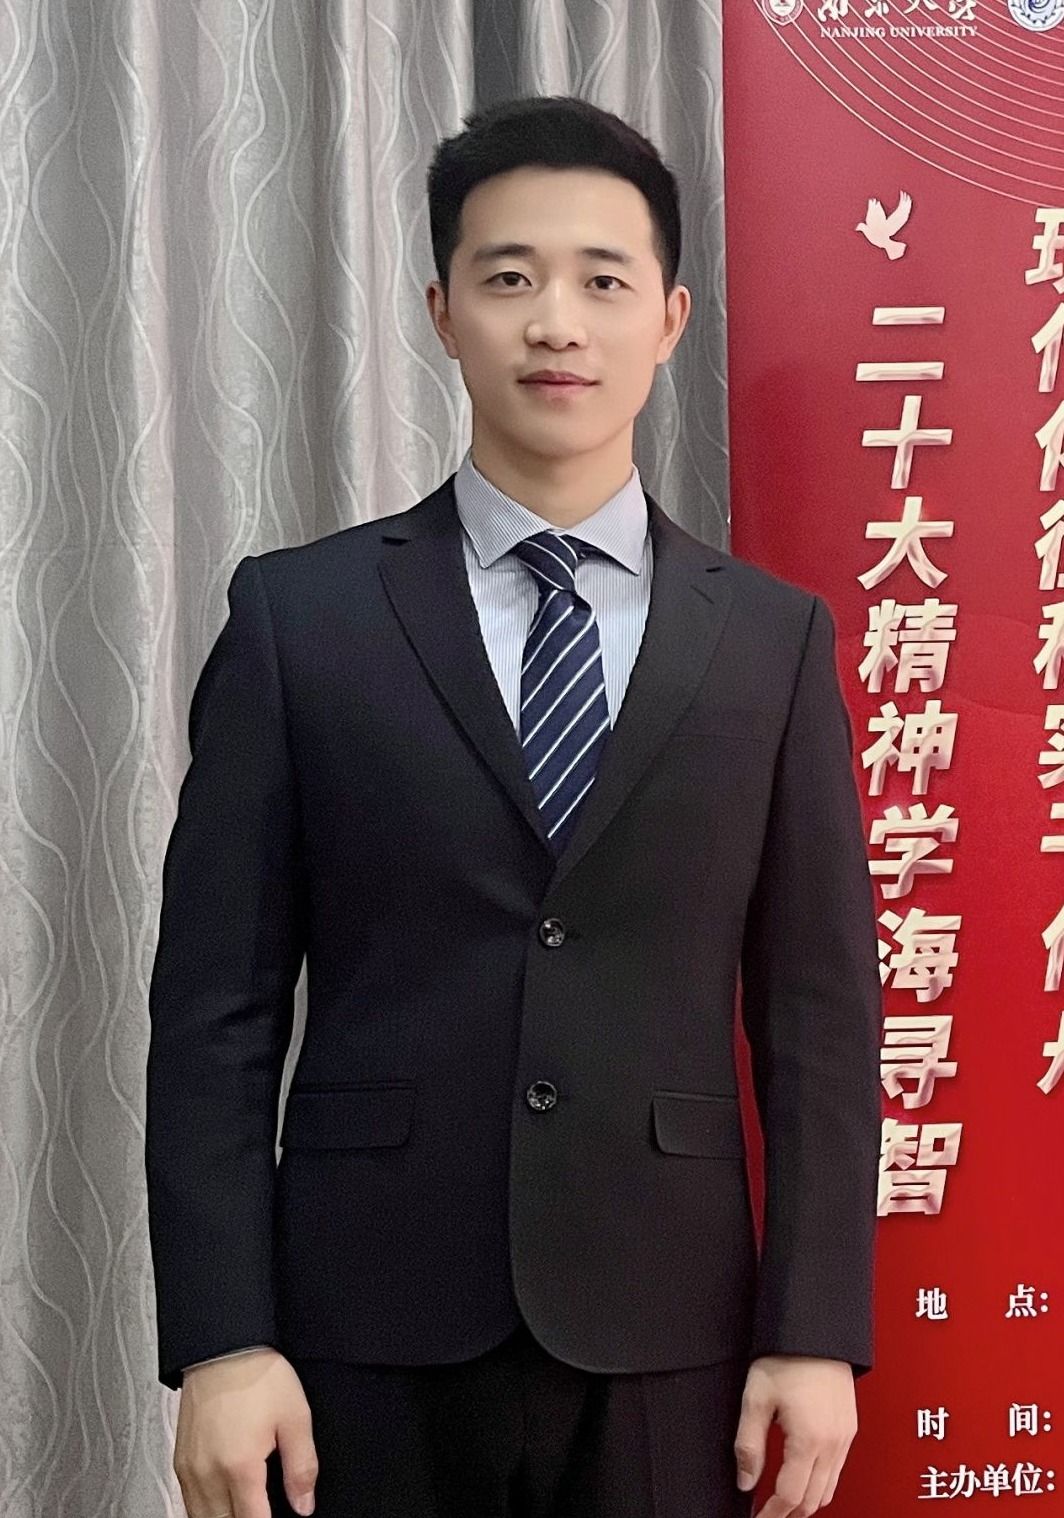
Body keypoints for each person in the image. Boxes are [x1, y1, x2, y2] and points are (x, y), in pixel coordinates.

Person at [145, 94, 882, 1518]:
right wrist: (225, 1338)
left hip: (673, 1332)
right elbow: (215, 1009)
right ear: (441, 312)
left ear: (668, 319)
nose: (557, 323)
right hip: (364, 1325)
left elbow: (819, 1013)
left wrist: (814, 1328)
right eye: (509, 277)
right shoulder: (301, 618)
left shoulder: (772, 641)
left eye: (603, 281)